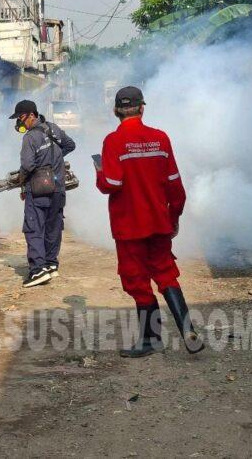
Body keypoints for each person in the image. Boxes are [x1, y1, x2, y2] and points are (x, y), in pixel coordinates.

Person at [95, 86, 204, 357]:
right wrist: (174, 217)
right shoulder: (160, 138)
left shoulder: (113, 141)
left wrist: (99, 172)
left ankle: (150, 340)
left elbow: (112, 183)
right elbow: (175, 186)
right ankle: (187, 330)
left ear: (116, 111)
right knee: (166, 273)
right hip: (159, 222)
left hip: (129, 226)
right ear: (142, 108)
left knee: (137, 280)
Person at [10, 100, 76, 287]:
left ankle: (38, 270)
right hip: (59, 188)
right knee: (53, 226)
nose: (19, 124)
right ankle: (51, 264)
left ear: (32, 115)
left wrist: (21, 182)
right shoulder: (53, 128)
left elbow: (28, 165)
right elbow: (70, 145)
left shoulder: (30, 137)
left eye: (21, 118)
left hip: (38, 189)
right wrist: (54, 158)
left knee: (34, 228)